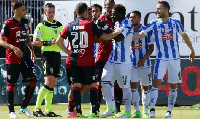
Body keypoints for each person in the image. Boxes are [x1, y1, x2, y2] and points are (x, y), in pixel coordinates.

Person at [56, 2, 122, 118]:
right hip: (87, 60)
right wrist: (116, 33)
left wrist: (69, 53)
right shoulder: (90, 24)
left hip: (75, 60)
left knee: (76, 85)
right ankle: (94, 111)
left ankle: (78, 112)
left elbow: (58, 41)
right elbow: (104, 37)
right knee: (92, 85)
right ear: (86, 11)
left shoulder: (69, 25)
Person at [132, 1, 195, 118]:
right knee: (156, 83)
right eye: (156, 9)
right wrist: (124, 35)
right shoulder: (154, 24)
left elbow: (184, 35)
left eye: (159, 9)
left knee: (173, 85)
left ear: (166, 10)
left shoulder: (175, 23)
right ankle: (152, 111)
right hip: (161, 59)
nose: (157, 11)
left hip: (175, 59)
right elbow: (140, 35)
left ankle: (169, 111)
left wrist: (191, 49)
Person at [0, 1, 37, 118]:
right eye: (23, 10)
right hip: (12, 58)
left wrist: (32, 50)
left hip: (25, 56)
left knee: (34, 80)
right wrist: (13, 47)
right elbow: (1, 41)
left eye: (25, 9)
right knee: (11, 84)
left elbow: (26, 37)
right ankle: (11, 111)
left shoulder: (26, 22)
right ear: (15, 11)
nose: (25, 12)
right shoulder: (8, 24)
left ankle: (24, 107)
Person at [100, 4, 133, 118]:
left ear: (121, 14)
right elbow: (113, 35)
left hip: (123, 61)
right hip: (113, 59)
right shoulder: (118, 23)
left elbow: (119, 37)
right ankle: (111, 109)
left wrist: (105, 28)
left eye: (114, 13)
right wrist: (105, 28)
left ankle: (128, 112)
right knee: (104, 81)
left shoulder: (127, 23)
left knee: (125, 87)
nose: (111, 14)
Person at [32, 3, 63, 117]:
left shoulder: (59, 25)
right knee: (48, 82)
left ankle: (48, 110)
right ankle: (36, 108)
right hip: (47, 55)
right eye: (48, 12)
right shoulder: (41, 25)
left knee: (52, 84)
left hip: (57, 55)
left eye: (52, 12)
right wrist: (48, 42)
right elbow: (34, 41)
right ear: (45, 13)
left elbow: (62, 40)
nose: (51, 14)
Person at [129, 10, 154, 118]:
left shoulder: (146, 30)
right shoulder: (128, 30)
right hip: (132, 64)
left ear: (139, 18)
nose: (132, 19)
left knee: (145, 87)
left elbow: (151, 48)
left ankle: (145, 112)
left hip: (145, 64)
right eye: (130, 17)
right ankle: (137, 111)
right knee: (133, 87)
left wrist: (143, 59)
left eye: (134, 17)